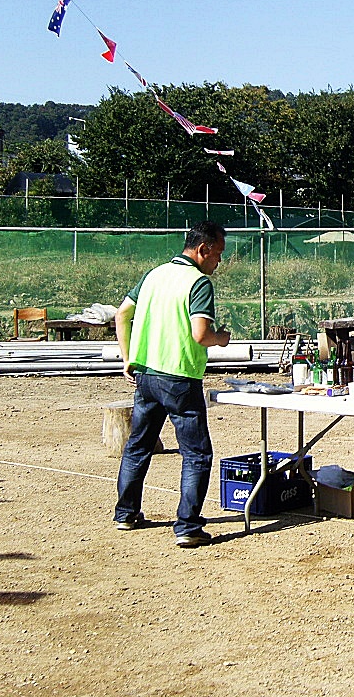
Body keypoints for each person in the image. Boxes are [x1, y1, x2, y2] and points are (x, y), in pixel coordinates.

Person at [112, 221, 231, 548]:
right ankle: (188, 526)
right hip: (179, 378)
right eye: (218, 254)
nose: (219, 261)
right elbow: (200, 334)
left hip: (146, 375)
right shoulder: (198, 282)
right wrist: (221, 339)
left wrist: (128, 357)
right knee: (197, 454)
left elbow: (122, 314)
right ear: (203, 249)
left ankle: (125, 513)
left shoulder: (154, 275)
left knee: (138, 446)